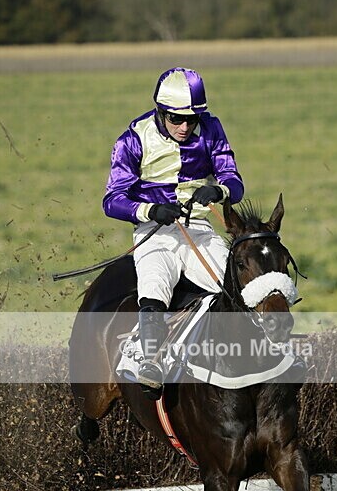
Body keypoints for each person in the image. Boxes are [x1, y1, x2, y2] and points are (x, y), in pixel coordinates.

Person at [103, 67, 244, 397]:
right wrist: (150, 210)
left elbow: (234, 181)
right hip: (155, 232)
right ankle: (150, 361)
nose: (184, 127)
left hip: (200, 230)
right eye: (175, 119)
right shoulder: (133, 139)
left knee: (236, 288)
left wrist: (219, 192)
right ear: (159, 111)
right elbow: (112, 200)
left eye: (191, 121)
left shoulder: (211, 129)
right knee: (155, 288)